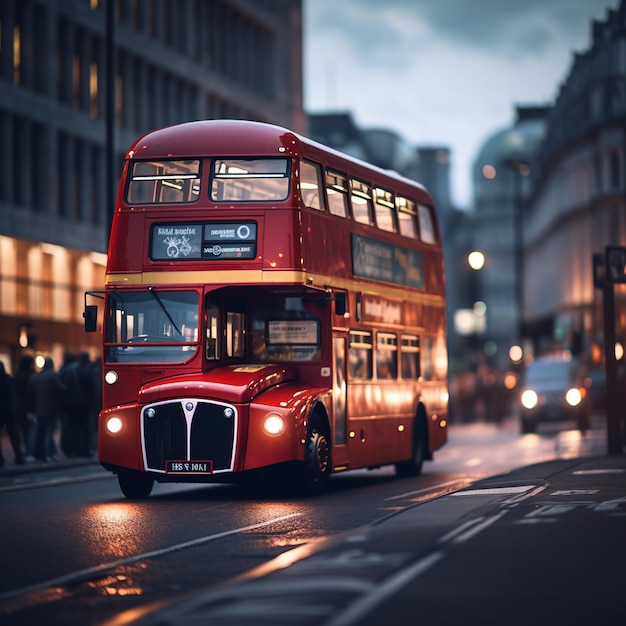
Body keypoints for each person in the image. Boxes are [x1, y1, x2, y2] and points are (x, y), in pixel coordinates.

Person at [27, 357, 66, 462]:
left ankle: (33, 453)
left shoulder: (35, 377)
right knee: (49, 432)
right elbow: (61, 391)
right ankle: (48, 454)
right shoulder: (54, 376)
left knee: (37, 432)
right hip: (51, 408)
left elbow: (30, 395)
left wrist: (31, 409)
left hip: (38, 409)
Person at [60, 351, 96, 457]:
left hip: (72, 405)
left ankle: (72, 450)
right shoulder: (87, 372)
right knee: (84, 429)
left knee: (72, 428)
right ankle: (84, 450)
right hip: (84, 405)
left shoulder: (70, 371)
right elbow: (92, 389)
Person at [0, 361, 25, 467]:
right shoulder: (8, 379)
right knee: (13, 435)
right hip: (8, 410)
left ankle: (1, 459)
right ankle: (19, 456)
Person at [14, 354, 35, 460]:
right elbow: (31, 393)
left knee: (20, 430)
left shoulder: (17, 375)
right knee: (29, 430)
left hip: (18, 406)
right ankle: (29, 450)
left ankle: (22, 451)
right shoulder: (30, 375)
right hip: (27, 406)